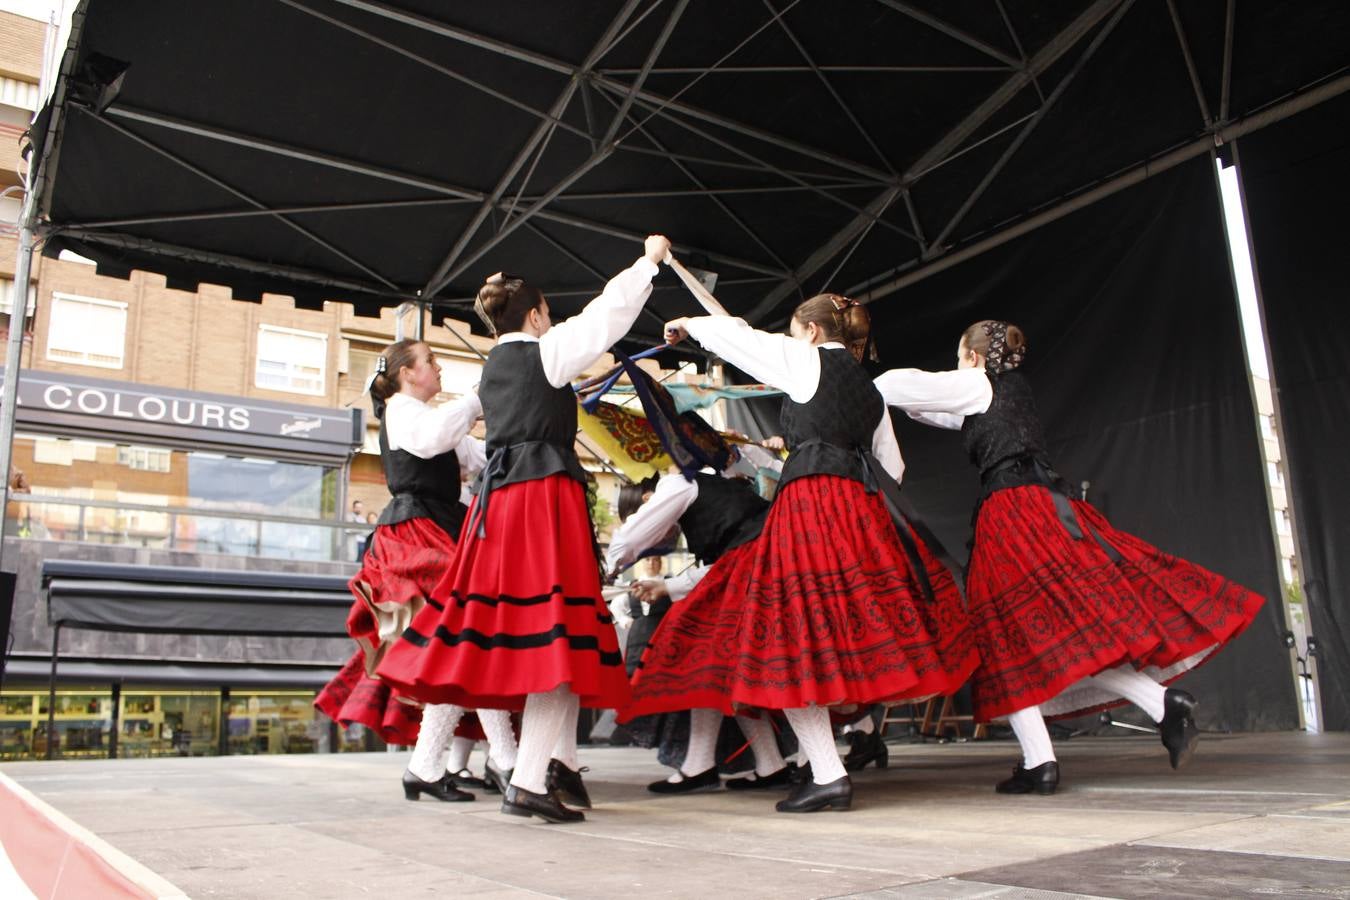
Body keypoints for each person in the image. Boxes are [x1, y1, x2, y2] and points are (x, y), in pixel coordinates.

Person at [874, 320, 1265, 794]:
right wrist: (904, 402)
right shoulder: (1007, 390)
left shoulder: (975, 383)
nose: (957, 367)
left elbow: (904, 385)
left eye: (959, 357)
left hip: (1013, 514)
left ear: (973, 359)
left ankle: (1043, 761)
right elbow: (935, 410)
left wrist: (856, 385)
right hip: (1042, 506)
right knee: (1058, 628)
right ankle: (1160, 707)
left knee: (1000, 633)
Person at [625, 295, 978, 813]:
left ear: (810, 332)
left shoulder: (805, 359)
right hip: (860, 508)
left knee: (786, 635)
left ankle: (829, 771)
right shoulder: (869, 391)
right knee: (838, 629)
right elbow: (892, 466)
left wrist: (687, 323)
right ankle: (833, 755)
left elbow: (743, 338)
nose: (789, 342)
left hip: (811, 506)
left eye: (793, 333)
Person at [377, 234, 672, 823]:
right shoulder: (548, 349)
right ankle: (528, 777)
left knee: (530, 630)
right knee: (558, 631)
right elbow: (606, 315)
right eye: (548, 314)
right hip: (543, 500)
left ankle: (528, 775)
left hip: (499, 506)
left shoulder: (489, 374)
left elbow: (451, 440)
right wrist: (649, 262)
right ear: (536, 314)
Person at [314, 338, 517, 803]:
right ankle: (497, 761)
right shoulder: (404, 412)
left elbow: (481, 455)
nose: (439, 367)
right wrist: (478, 399)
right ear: (407, 373)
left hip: (435, 531)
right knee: (461, 640)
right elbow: (434, 439)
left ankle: (436, 767)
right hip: (415, 538)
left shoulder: (425, 418)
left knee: (455, 649)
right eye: (430, 361)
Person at [609, 466, 793, 794]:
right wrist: (668, 586)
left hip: (760, 576)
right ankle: (768, 764)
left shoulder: (675, 485)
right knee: (723, 668)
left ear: (648, 499)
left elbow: (629, 540)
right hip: (768, 571)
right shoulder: (715, 488)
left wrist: (608, 566)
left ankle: (806, 764)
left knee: (704, 657)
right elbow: (727, 560)